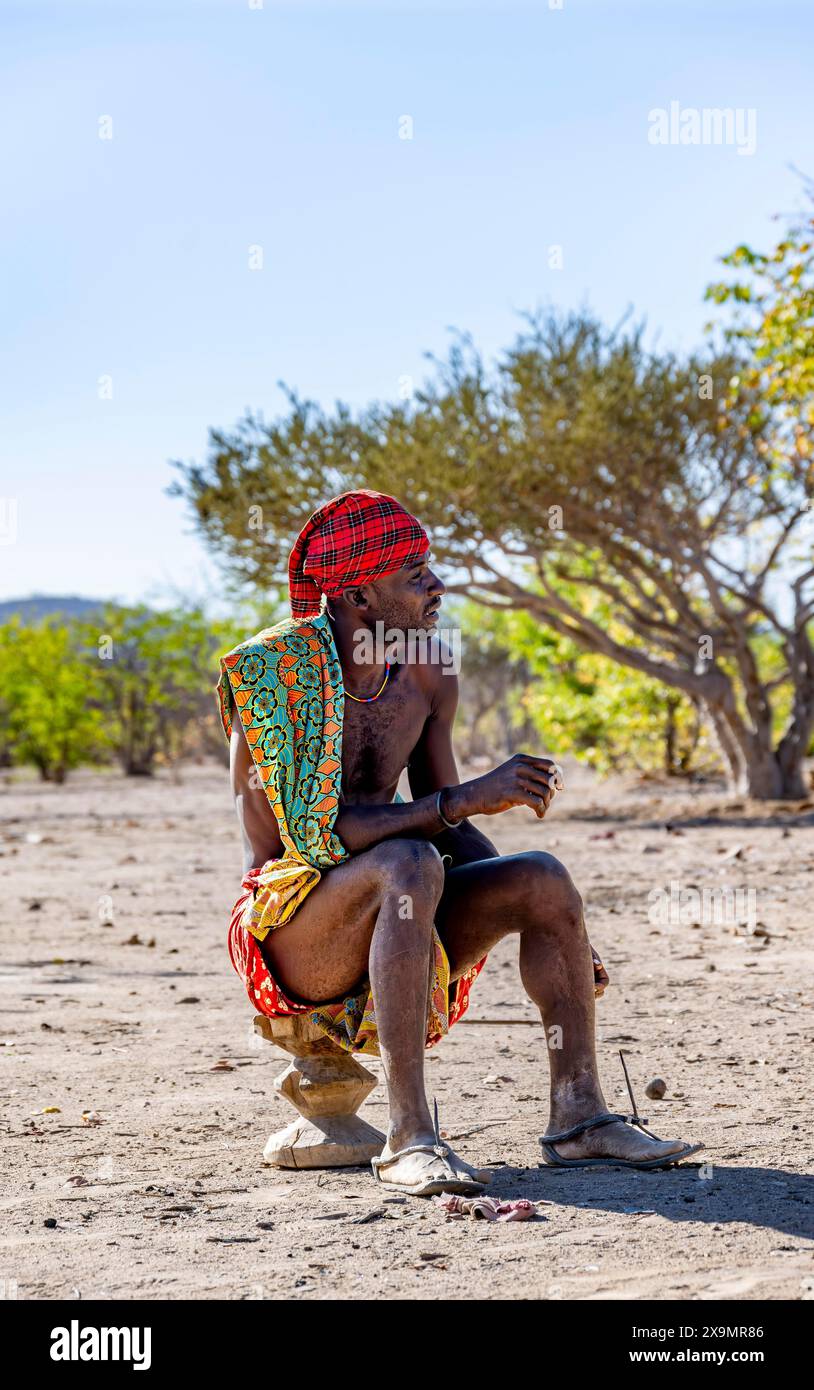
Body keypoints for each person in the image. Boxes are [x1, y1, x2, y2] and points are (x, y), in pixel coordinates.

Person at [218, 489, 702, 1196]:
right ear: (356, 591)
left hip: (399, 902)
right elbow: (318, 836)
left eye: (429, 568)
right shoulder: (272, 675)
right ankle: (410, 1136)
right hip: (290, 929)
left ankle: (580, 1117)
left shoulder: (428, 671)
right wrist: (464, 798)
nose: (437, 586)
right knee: (408, 861)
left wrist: (564, 928)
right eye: (414, 574)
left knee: (539, 875)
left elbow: (445, 818)